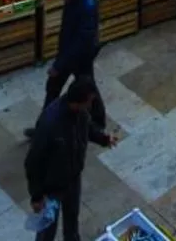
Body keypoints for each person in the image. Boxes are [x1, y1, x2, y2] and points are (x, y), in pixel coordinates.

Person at [24, 77, 117, 241]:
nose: (90, 106)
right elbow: (33, 162)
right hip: (51, 188)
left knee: (72, 219)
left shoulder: (80, 112)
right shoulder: (50, 123)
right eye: (88, 102)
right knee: (47, 229)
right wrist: (37, 196)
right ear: (78, 101)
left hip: (73, 178)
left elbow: (87, 128)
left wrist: (103, 138)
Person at [24, 0, 97, 138]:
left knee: (85, 90)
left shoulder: (86, 6)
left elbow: (80, 42)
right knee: (53, 90)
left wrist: (59, 65)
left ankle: (94, 125)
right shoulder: (73, 0)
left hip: (79, 57)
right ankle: (43, 129)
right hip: (68, 54)